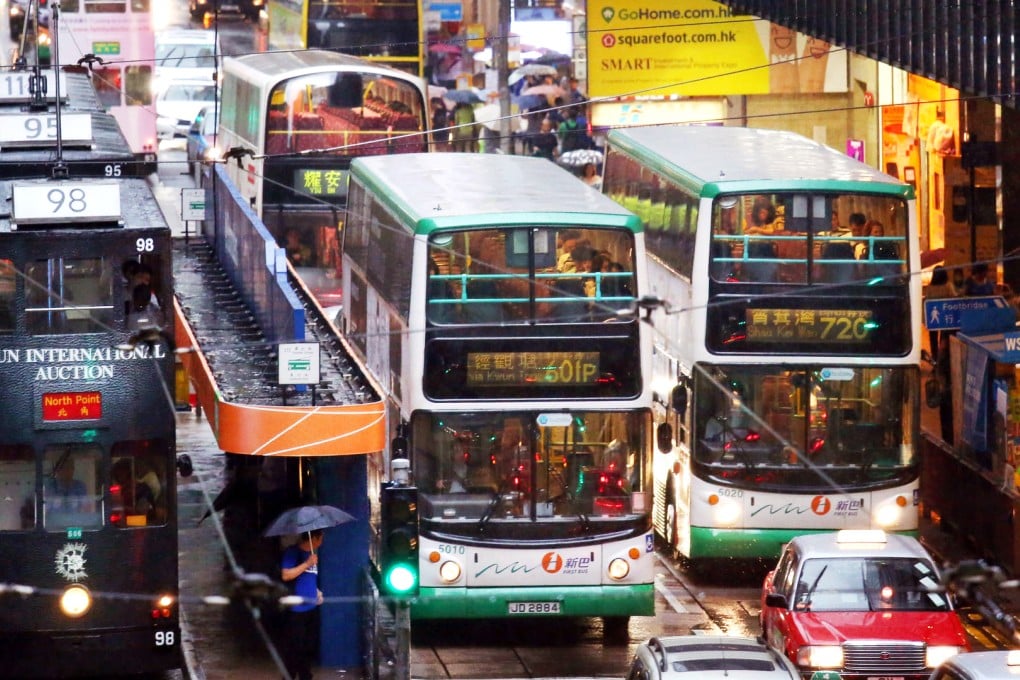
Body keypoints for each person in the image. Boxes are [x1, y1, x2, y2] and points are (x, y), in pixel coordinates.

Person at [280, 529, 325, 680]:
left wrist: (317, 592)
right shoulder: (293, 552)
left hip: (311, 608)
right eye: (321, 537)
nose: (322, 540)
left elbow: (309, 579)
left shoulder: (313, 554)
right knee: (296, 647)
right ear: (314, 538)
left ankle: (304, 675)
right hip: (296, 610)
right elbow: (286, 575)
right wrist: (307, 564)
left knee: (308, 646)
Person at [925, 266, 957, 359]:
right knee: (944, 337)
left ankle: (934, 356)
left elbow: (927, 300)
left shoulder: (930, 287)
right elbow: (954, 297)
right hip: (945, 315)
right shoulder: (948, 286)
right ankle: (943, 356)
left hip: (932, 317)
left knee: (933, 337)